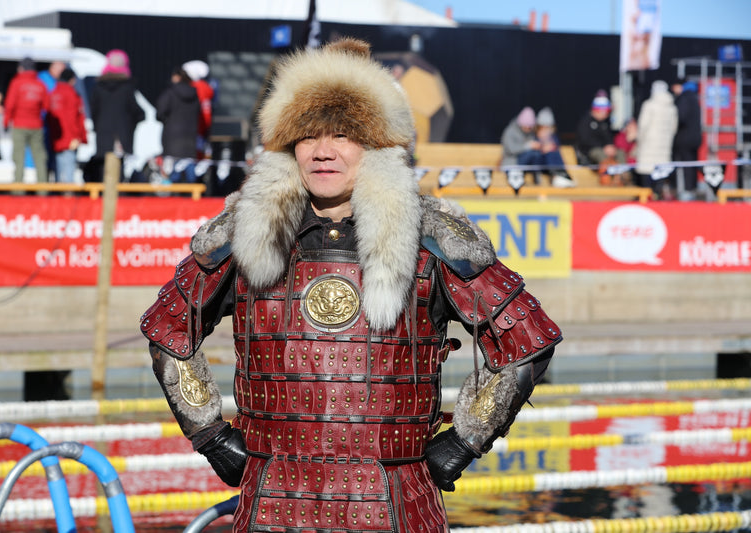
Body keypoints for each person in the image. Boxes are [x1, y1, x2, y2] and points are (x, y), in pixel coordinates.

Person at [140, 38, 561, 533]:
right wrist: (210, 434)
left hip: (397, 506)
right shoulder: (248, 231)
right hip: (274, 504)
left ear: (377, 144)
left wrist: (466, 440)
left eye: (342, 134)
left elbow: (527, 339)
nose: (322, 151)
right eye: (307, 135)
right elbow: (169, 329)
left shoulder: (433, 237)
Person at [88, 49, 144, 181]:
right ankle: (118, 197)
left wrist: (98, 128)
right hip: (122, 136)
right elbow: (137, 112)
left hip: (103, 134)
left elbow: (93, 111)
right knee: (119, 170)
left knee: (103, 168)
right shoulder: (127, 88)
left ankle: (104, 197)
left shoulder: (98, 87)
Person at [501, 106, 574, 187]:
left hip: (532, 161)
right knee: (533, 154)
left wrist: (545, 144)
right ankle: (551, 176)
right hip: (514, 162)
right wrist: (529, 146)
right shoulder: (510, 132)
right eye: (526, 126)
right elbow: (512, 149)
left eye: (530, 127)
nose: (528, 128)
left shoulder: (531, 132)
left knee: (549, 152)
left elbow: (539, 144)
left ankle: (560, 174)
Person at [3, 57, 49, 184]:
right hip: (36, 125)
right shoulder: (40, 84)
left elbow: (10, 105)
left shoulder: (16, 83)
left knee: (19, 157)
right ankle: (42, 189)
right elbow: (46, 106)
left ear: (21, 68)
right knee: (39, 157)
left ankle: (18, 189)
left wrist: (6, 122)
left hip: (19, 125)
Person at [155, 66, 200, 182]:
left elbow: (159, 112)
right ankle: (191, 198)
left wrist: (167, 121)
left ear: (176, 77)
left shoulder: (170, 93)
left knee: (170, 174)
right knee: (190, 172)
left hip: (172, 140)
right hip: (190, 139)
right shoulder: (195, 94)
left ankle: (171, 197)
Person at [635, 80, 678, 198]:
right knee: (660, 173)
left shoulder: (649, 105)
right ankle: (658, 195)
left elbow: (643, 127)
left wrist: (639, 141)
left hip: (649, 145)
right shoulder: (672, 107)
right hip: (665, 147)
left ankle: (647, 198)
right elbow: (674, 128)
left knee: (646, 173)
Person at [47, 67, 87, 184]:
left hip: (56, 138)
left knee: (59, 168)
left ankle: (59, 194)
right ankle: (67, 197)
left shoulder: (54, 92)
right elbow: (72, 118)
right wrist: (76, 137)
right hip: (69, 138)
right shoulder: (71, 93)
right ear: (71, 79)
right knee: (69, 169)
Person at [575, 90, 625, 169]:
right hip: (589, 151)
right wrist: (603, 147)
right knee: (600, 154)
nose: (607, 114)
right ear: (597, 110)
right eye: (605, 111)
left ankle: (623, 176)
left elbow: (609, 138)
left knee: (620, 153)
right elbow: (585, 140)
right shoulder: (585, 122)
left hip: (605, 149)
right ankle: (607, 177)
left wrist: (610, 147)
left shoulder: (605, 123)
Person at [670, 77, 703, 201]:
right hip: (695, 138)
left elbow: (681, 117)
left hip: (685, 138)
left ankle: (686, 191)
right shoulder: (694, 97)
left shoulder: (684, 98)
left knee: (685, 165)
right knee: (692, 164)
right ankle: (692, 188)